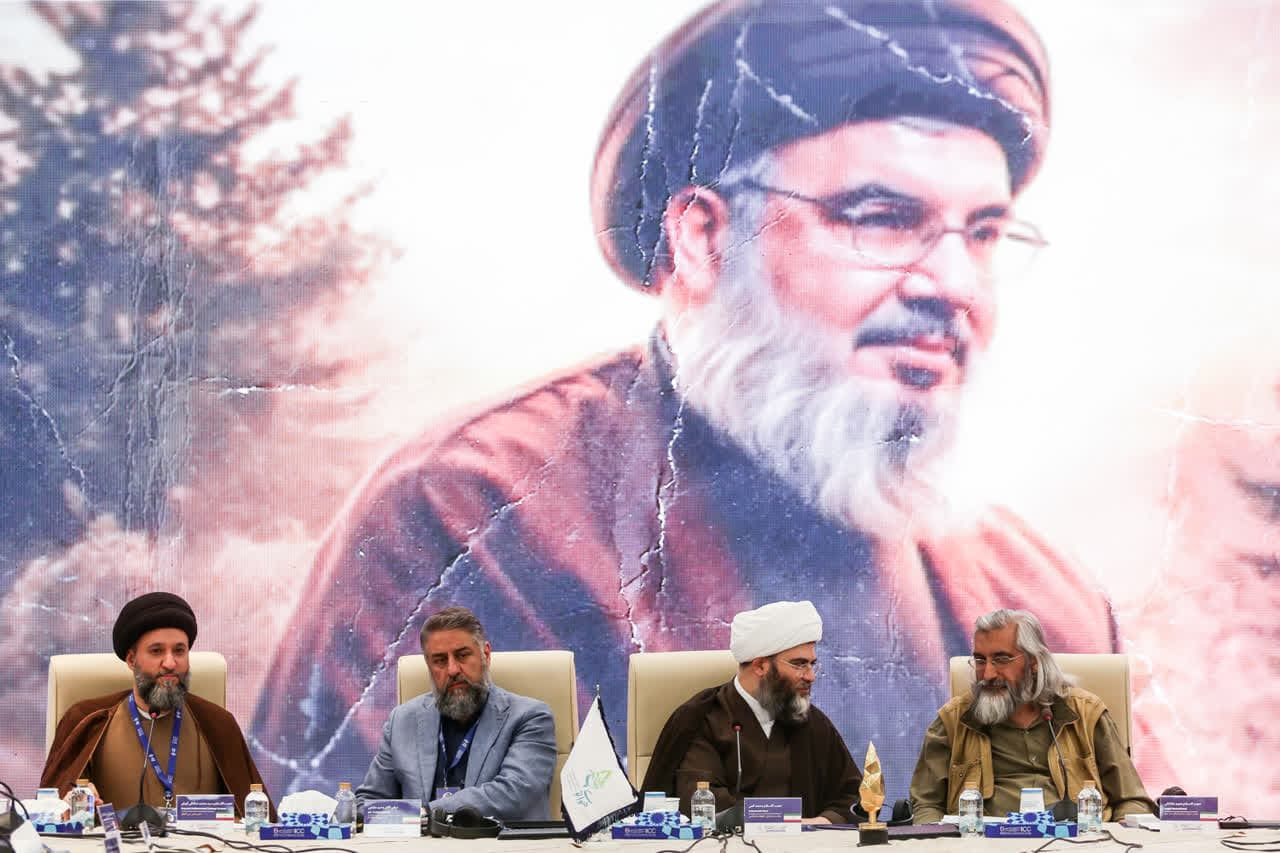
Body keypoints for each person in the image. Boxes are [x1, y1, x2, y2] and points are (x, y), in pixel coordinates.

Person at [252, 0, 1115, 796]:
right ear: (704, 237)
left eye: (983, 233)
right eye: (881, 217)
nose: (954, 284)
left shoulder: (1050, 606)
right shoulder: (482, 519)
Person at [908, 609, 1156, 823]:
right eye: (981, 660)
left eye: (1001, 659)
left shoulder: (1086, 714)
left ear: (1034, 661)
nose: (988, 674)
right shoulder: (953, 721)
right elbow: (926, 806)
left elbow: (1132, 801)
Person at [40, 592, 269, 818]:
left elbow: (257, 821)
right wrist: (72, 804)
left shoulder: (218, 723)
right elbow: (49, 813)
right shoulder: (87, 720)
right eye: (157, 651)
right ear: (132, 660)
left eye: (179, 651)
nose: (170, 663)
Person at [643, 601, 863, 824]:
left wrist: (820, 822)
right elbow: (702, 801)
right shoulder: (702, 718)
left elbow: (853, 798)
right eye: (799, 664)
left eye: (812, 664)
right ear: (760, 666)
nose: (810, 676)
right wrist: (786, 823)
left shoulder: (811, 721)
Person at [355, 606, 556, 821]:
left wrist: (425, 814)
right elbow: (367, 802)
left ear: (486, 655)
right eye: (440, 660)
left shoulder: (530, 717)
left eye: (462, 655)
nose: (452, 670)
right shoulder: (402, 721)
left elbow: (513, 793)